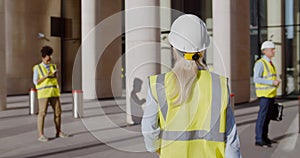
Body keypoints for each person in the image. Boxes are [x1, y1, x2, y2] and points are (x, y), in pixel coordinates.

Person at [141, 14, 241, 158]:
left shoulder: (158, 85)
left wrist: (157, 149)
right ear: (203, 50)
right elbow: (232, 142)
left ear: (173, 48)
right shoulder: (219, 85)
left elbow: (149, 130)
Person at [33, 46, 68, 142]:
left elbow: (55, 79)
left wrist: (55, 75)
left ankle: (58, 131)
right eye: (48, 58)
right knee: (42, 113)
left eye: (50, 57)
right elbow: (36, 81)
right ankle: (41, 135)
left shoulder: (53, 66)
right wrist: (46, 76)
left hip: (54, 93)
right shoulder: (37, 67)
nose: (50, 59)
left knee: (58, 112)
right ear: (43, 57)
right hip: (43, 94)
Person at [253, 41, 280, 147]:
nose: (274, 51)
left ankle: (265, 137)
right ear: (265, 51)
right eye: (272, 49)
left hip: (270, 94)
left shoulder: (270, 63)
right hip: (264, 95)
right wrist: (272, 82)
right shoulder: (260, 63)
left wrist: (274, 84)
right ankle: (259, 139)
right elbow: (256, 78)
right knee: (262, 117)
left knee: (267, 117)